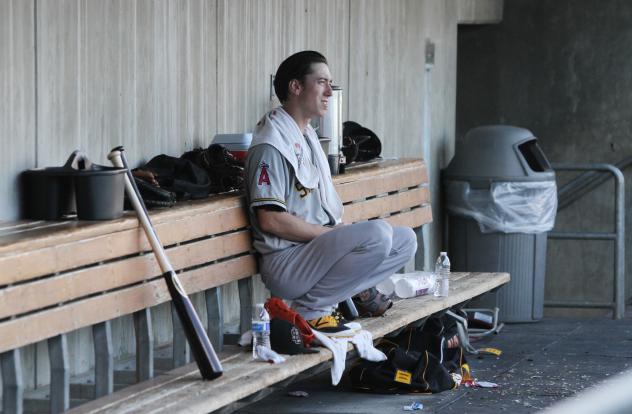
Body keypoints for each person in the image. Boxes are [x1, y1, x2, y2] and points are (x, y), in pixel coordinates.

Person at [245, 50, 417, 336]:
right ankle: (312, 311)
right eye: (321, 82)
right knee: (377, 236)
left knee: (405, 241)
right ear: (296, 87)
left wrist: (335, 234)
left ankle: (319, 305)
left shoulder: (307, 135)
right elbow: (270, 221)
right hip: (288, 261)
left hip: (312, 254)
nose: (329, 91)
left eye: (330, 82)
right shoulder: (271, 144)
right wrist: (330, 236)